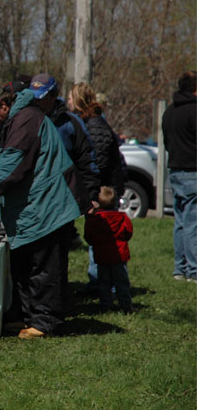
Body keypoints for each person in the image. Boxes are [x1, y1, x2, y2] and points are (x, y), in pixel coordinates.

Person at [0, 76, 83, 339]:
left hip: (48, 205)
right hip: (32, 206)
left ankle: (45, 322)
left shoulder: (26, 120)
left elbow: (12, 165)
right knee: (24, 264)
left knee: (45, 267)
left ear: (3, 106)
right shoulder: (14, 120)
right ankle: (25, 316)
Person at [68, 82, 127, 289]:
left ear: (78, 100)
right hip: (98, 189)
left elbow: (97, 163)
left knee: (104, 242)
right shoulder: (88, 122)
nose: (68, 102)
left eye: (70, 98)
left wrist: (90, 190)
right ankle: (100, 283)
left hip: (104, 191)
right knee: (98, 239)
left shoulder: (94, 125)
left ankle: (108, 285)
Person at [32, 73, 100, 240]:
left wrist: (90, 195)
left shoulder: (70, 124)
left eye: (41, 98)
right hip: (33, 202)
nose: (37, 102)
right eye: (34, 98)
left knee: (57, 250)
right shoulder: (27, 121)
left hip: (62, 203)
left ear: (53, 96)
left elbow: (87, 160)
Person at [162, 71, 197, 283]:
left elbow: (167, 141)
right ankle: (193, 270)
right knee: (192, 222)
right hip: (193, 171)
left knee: (181, 221)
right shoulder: (194, 111)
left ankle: (180, 268)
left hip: (175, 170)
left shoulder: (170, 111)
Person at [84, 186, 134, 312]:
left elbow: (88, 237)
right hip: (119, 256)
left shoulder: (94, 219)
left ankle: (105, 305)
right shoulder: (122, 217)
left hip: (102, 256)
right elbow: (128, 233)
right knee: (122, 282)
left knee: (104, 282)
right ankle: (125, 305)